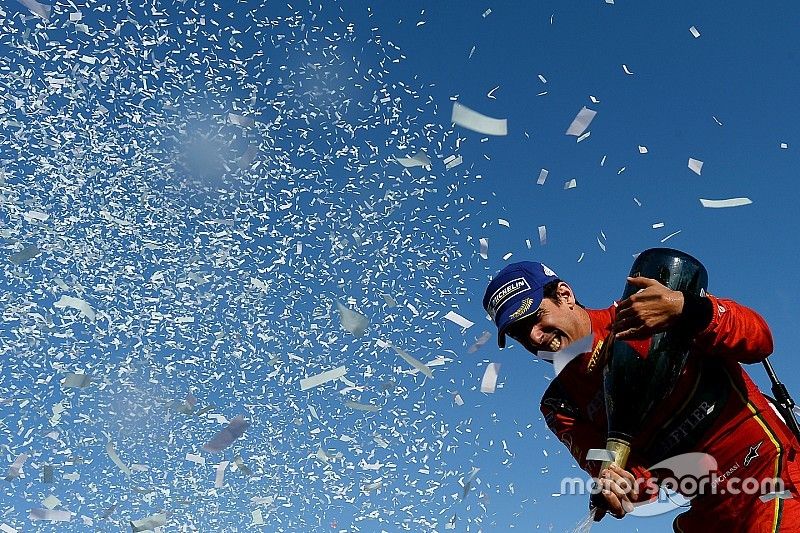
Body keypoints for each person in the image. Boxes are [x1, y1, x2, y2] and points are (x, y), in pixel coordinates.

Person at [483, 260, 800, 532]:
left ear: (564, 295)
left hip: (773, 474)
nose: (534, 336)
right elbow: (636, 481)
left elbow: (759, 340)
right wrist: (615, 487)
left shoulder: (650, 308)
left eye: (536, 317)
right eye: (518, 332)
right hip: (709, 512)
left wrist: (687, 308)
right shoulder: (560, 403)